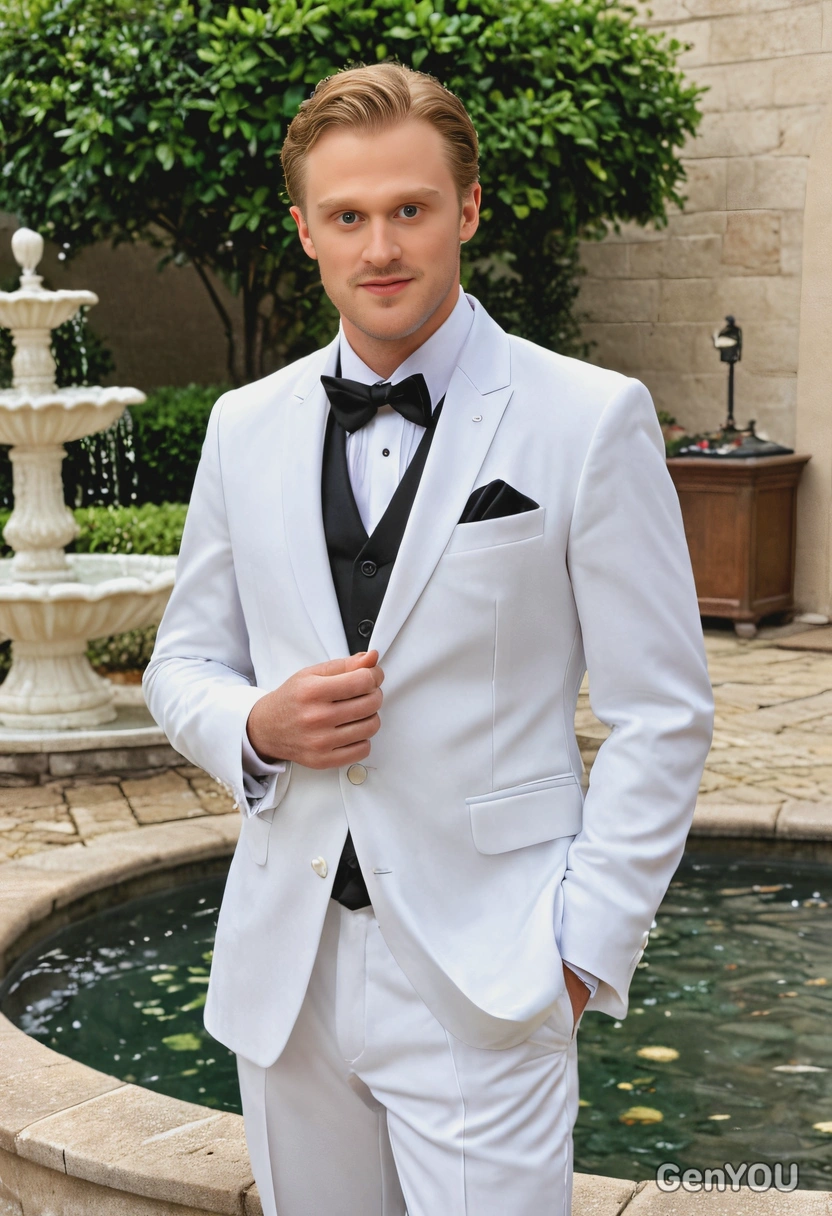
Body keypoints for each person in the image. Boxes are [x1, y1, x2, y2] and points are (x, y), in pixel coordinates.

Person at [143, 61, 714, 1216]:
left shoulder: (587, 417)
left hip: (491, 972)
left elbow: (663, 711)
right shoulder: (242, 426)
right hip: (287, 973)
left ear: (468, 208)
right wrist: (253, 721)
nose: (381, 246)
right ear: (305, 230)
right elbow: (181, 661)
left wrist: (580, 951)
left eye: (408, 208)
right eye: (348, 217)